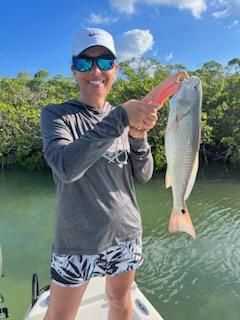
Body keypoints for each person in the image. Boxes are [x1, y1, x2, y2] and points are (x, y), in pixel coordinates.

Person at [40, 27, 158, 320]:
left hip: (125, 234)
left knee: (119, 301)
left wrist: (138, 136)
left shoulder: (124, 115)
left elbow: (142, 175)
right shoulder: (57, 115)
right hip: (76, 242)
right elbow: (66, 167)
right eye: (85, 62)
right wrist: (120, 118)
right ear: (74, 70)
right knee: (59, 315)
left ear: (115, 70)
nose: (96, 70)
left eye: (105, 63)